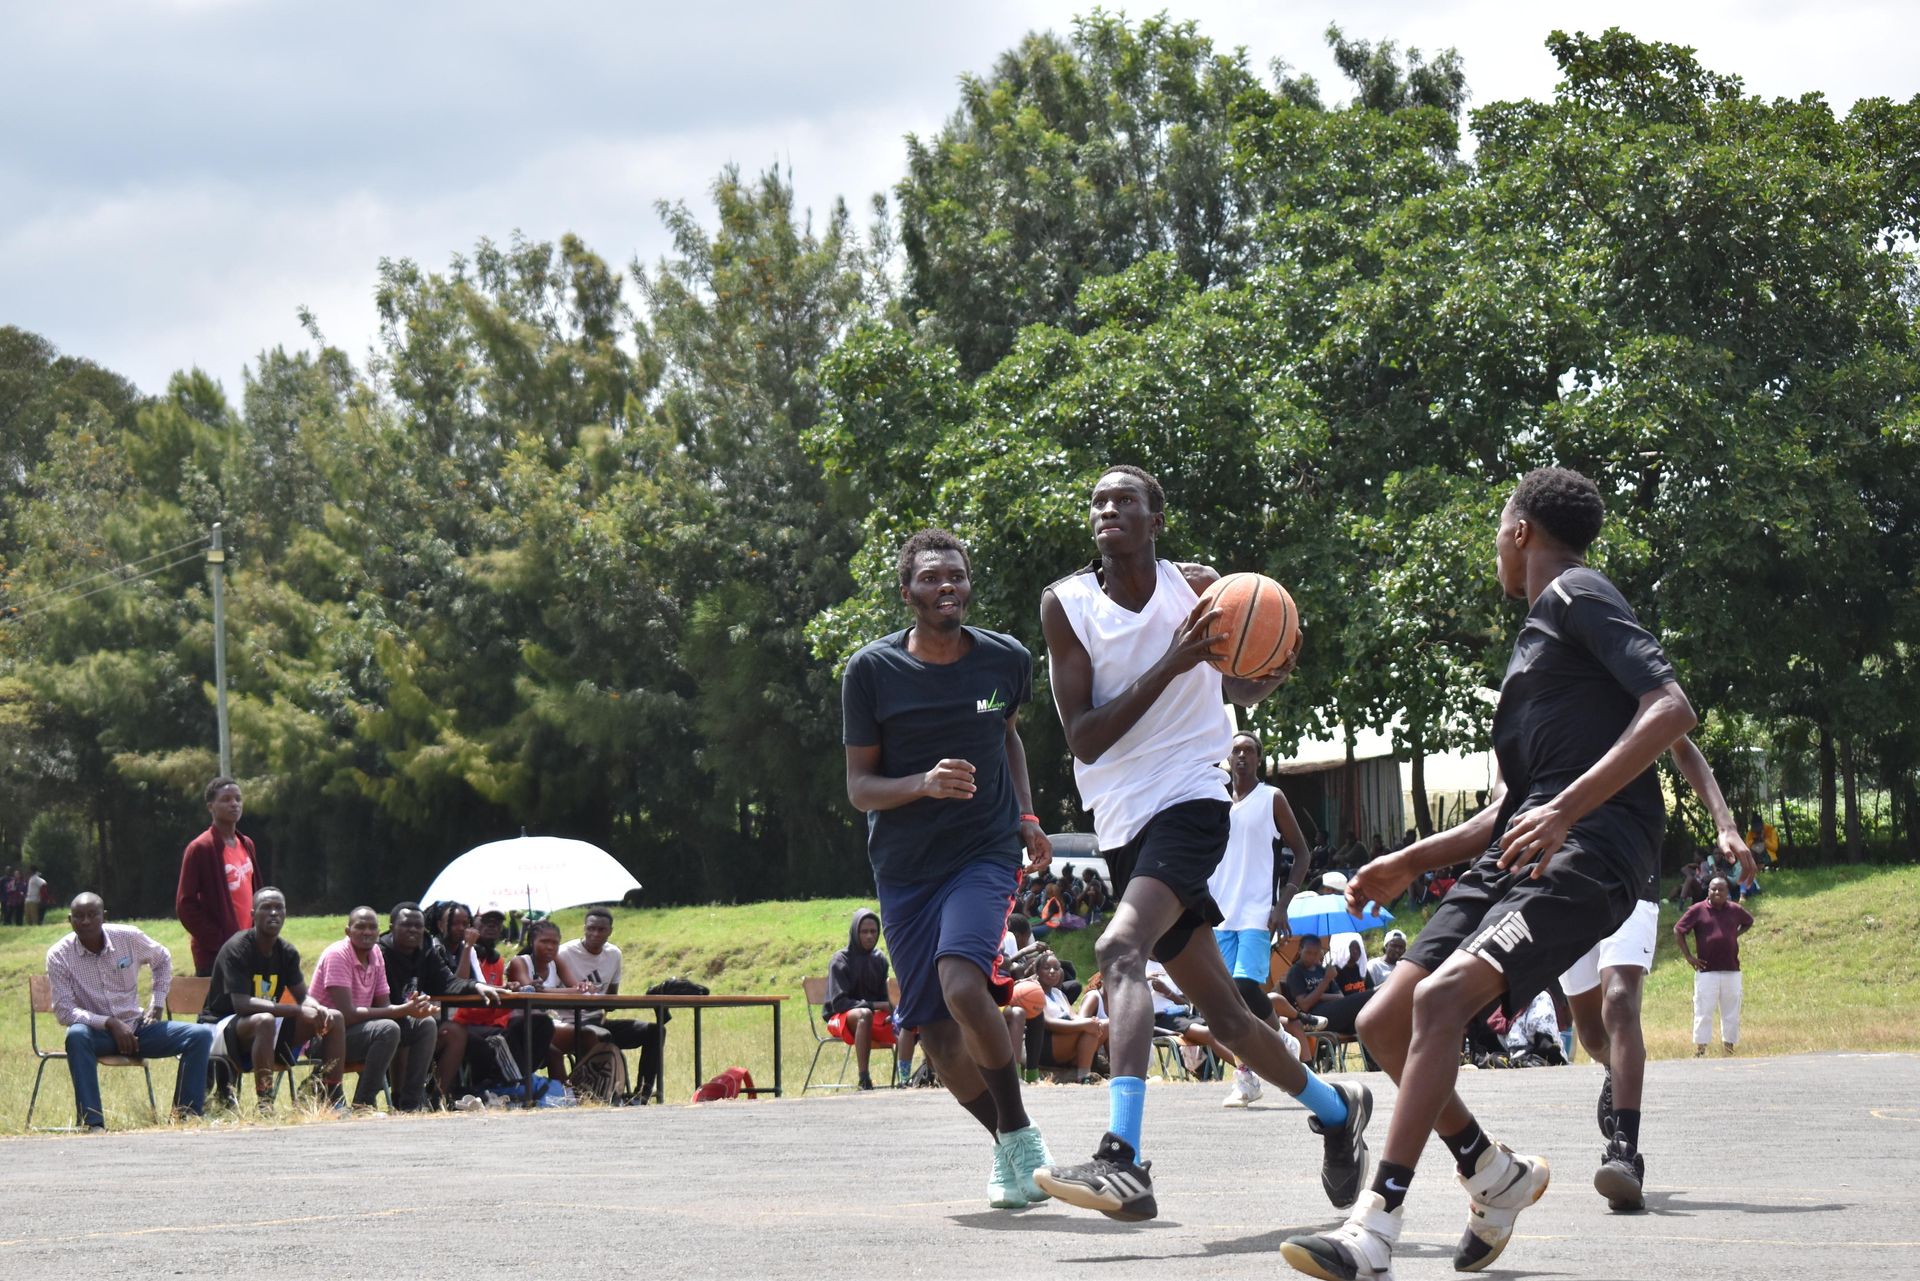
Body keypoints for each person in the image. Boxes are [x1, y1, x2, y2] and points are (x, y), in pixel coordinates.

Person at [1286, 467, 1700, 1280]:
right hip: (1522, 845)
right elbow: (1510, 805)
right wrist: (1409, 858)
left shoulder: (1578, 591)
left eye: (1496, 531)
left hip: (1592, 846)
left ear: (1520, 531)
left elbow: (1671, 706)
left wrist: (1568, 809)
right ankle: (1491, 1171)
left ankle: (1376, 1225)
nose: (1495, 548)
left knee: (1441, 1000)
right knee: (1382, 1020)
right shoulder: (1538, 641)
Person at [1033, 464, 1368, 1223]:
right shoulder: (1067, 605)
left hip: (1191, 800)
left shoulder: (1201, 589)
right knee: (1227, 1017)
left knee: (1119, 949)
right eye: (1099, 500)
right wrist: (1173, 661)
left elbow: (1235, 685)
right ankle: (1338, 1108)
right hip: (1123, 821)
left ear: (1155, 519)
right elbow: (1085, 738)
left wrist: (1271, 668)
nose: (1109, 508)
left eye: (1125, 500)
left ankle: (1122, 1158)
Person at [841, 527, 1056, 1209]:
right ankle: (1010, 1145)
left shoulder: (1005, 658)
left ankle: (1021, 1136)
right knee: (936, 1035)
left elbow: (1008, 735)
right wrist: (924, 784)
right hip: (905, 868)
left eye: (956, 575)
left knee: (963, 982)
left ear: (969, 585)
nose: (946, 587)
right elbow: (860, 788)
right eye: (931, 578)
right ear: (907, 592)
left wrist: (1026, 813)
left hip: (983, 851)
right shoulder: (871, 672)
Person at [1564, 735, 1753, 1210]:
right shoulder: (1544, 699)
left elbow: (1681, 744)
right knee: (1591, 1035)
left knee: (1620, 1001)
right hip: (1567, 874)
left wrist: (1726, 824)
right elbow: (1511, 770)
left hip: (1631, 867)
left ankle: (1624, 1152)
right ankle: (1613, 1067)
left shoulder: (1633, 695)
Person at [46, 892, 214, 1128]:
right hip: (98, 1035)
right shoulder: (59, 955)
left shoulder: (128, 937)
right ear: (69, 920)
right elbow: (65, 1011)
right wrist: (110, 1023)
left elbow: (162, 959)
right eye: (78, 916)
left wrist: (157, 1004)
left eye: (92, 915)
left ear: (104, 916)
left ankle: (185, 1116)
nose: (85, 921)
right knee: (76, 1035)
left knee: (200, 1035)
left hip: (137, 1030)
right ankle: (92, 1123)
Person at [1211, 729, 1315, 1108]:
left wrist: (1282, 903)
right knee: (1225, 1001)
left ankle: (1280, 1038)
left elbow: (1302, 853)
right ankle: (1246, 1078)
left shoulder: (1272, 798)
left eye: (1248, 751)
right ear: (1227, 758)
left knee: (1244, 986)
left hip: (1256, 912)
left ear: (1258, 758)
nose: (1241, 756)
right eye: (1235, 750)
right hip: (1219, 914)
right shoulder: (1215, 800)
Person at [200, 886, 343, 1113]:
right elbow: (242, 1005)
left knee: (334, 1017)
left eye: (279, 908)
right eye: (266, 907)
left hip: (263, 1028)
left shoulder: (286, 952)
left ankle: (333, 1098)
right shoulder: (237, 948)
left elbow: (301, 996)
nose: (274, 913)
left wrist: (317, 1007)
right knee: (264, 1020)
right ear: (253, 914)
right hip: (219, 1026)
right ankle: (265, 1103)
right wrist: (297, 1011)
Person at [307, 905, 435, 1111]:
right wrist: (403, 1010)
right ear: (348, 931)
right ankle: (363, 1105)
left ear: (378, 932)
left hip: (359, 1032)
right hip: (326, 1039)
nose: (367, 932)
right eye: (360, 927)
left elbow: (384, 1005)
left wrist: (415, 1008)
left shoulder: (376, 953)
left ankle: (410, 1105)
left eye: (372, 927)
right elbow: (347, 1014)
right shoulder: (337, 955)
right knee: (387, 1029)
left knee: (425, 1024)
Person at [378, 901, 503, 1109]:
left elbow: (447, 982)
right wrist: (407, 1010)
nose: (413, 930)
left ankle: (437, 1099)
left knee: (455, 1032)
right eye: (406, 925)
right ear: (392, 928)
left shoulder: (426, 950)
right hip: (386, 1023)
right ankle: (403, 1100)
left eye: (418, 926)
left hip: (419, 1021)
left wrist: (477, 986)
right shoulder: (379, 953)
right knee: (408, 1025)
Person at [558, 907, 666, 1102]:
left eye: (601, 929)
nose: (595, 934)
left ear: (610, 931)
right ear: (584, 928)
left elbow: (611, 999)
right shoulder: (565, 953)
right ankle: (605, 1094)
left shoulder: (614, 954)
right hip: (571, 1024)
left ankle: (642, 1094)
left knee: (655, 1031)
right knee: (602, 1036)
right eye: (591, 928)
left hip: (599, 1020)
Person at [452, 904, 551, 1090]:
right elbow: (461, 985)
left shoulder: (497, 960)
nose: (492, 926)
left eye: (497, 923)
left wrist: (509, 988)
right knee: (503, 1038)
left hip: (494, 1020)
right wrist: (468, 947)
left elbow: (495, 997)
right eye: (486, 921)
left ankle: (522, 1077)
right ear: (473, 924)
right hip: (467, 1022)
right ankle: (518, 1086)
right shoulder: (463, 954)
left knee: (541, 1023)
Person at [175, 777, 257, 976]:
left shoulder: (246, 844)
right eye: (226, 799)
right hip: (216, 955)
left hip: (249, 949)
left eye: (238, 799)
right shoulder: (200, 848)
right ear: (211, 807)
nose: (234, 804)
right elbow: (185, 905)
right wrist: (219, 940)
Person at [1675, 876, 1753, 1057]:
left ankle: (1729, 1048)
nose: (1717, 892)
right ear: (1708, 891)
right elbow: (1678, 930)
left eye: (1721, 889)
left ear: (1727, 892)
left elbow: (1749, 921)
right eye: (1713, 889)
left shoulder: (1735, 909)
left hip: (1731, 970)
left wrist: (1734, 934)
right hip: (1706, 971)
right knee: (1703, 1010)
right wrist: (1689, 957)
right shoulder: (1697, 910)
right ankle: (1701, 1049)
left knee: (1731, 1011)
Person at [822, 908, 896, 1090]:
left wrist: (893, 1010)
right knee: (864, 1014)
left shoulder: (880, 959)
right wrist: (874, 1005)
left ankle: (915, 1075)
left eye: (873, 931)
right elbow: (839, 1003)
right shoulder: (840, 960)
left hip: (870, 1016)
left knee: (910, 1016)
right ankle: (864, 1079)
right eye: (864, 932)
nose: (870, 936)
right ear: (855, 932)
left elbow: (884, 997)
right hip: (839, 1018)